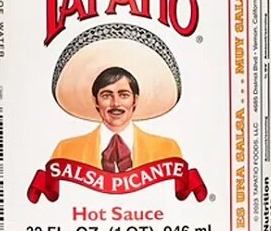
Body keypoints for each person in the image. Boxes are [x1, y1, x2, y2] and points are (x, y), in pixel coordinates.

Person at [51, 66, 183, 171]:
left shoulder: (167, 150)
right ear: (95, 101)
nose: (115, 103)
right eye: (106, 95)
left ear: (135, 100)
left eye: (124, 95)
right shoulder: (66, 151)